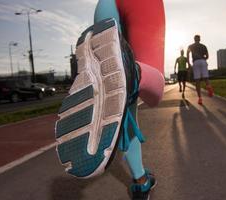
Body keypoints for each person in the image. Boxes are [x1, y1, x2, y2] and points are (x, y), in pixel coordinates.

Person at [55, 0, 165, 200]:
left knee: (124, 108)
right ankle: (133, 72)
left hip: (105, 5)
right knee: (154, 88)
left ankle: (141, 181)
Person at [187, 35, 214, 105]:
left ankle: (200, 99)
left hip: (196, 62)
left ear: (194, 39)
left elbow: (188, 55)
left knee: (197, 81)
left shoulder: (190, 46)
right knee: (206, 78)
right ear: (199, 39)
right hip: (203, 61)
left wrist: (189, 64)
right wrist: (204, 60)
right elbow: (207, 56)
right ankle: (209, 87)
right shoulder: (204, 46)